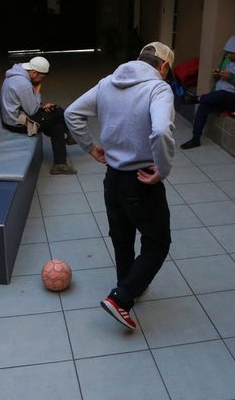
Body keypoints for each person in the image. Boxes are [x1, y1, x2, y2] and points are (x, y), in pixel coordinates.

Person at [65, 42, 175, 330]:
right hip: (141, 179)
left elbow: (71, 114)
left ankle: (127, 286)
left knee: (122, 237)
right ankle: (122, 298)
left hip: (112, 178)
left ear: (140, 59)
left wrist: (90, 146)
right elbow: (162, 130)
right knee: (157, 243)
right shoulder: (158, 89)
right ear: (163, 67)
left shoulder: (107, 83)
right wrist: (162, 170)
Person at [180, 35, 235, 149]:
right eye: (228, 53)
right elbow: (221, 76)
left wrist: (231, 77)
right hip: (219, 96)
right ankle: (195, 139)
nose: (228, 55)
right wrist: (217, 74)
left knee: (220, 95)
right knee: (204, 105)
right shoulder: (228, 59)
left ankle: (196, 98)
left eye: (231, 53)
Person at [0, 56, 77, 175]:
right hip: (18, 123)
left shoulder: (17, 71)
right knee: (58, 111)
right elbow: (32, 111)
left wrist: (42, 106)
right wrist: (36, 91)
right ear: (34, 72)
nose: (41, 80)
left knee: (57, 126)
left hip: (16, 116)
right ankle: (71, 136)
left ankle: (60, 164)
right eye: (41, 77)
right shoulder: (23, 84)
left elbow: (25, 104)